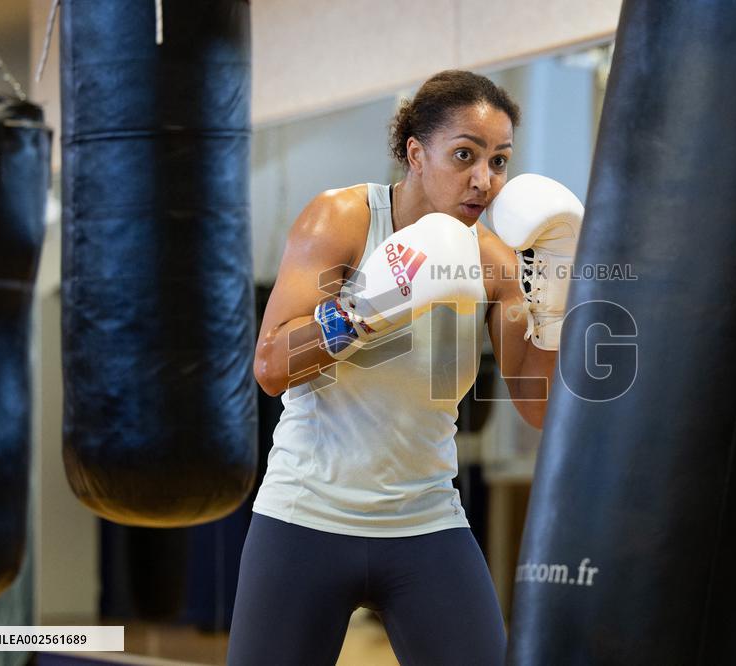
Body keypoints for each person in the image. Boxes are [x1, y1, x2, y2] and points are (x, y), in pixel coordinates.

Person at [227, 69, 582, 665]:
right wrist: (364, 310)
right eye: (465, 155)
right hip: (305, 517)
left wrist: (554, 302)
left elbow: (539, 407)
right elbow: (270, 366)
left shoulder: (494, 263)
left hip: (426, 523)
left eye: (498, 161)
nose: (483, 180)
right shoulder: (342, 219)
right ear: (416, 154)